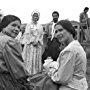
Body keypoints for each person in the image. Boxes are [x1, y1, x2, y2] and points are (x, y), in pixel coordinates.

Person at [0, 15, 30, 90]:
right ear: (4, 26)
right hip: (6, 81)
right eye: (13, 25)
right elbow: (18, 70)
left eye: (18, 27)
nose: (17, 29)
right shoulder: (9, 41)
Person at [22, 11, 44, 75]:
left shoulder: (40, 26)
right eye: (34, 16)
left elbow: (41, 35)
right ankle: (28, 72)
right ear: (32, 17)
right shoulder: (29, 25)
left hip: (37, 45)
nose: (35, 17)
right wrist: (32, 41)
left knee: (35, 58)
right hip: (30, 45)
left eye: (37, 16)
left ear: (38, 17)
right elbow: (27, 34)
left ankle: (36, 73)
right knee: (30, 58)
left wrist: (37, 41)